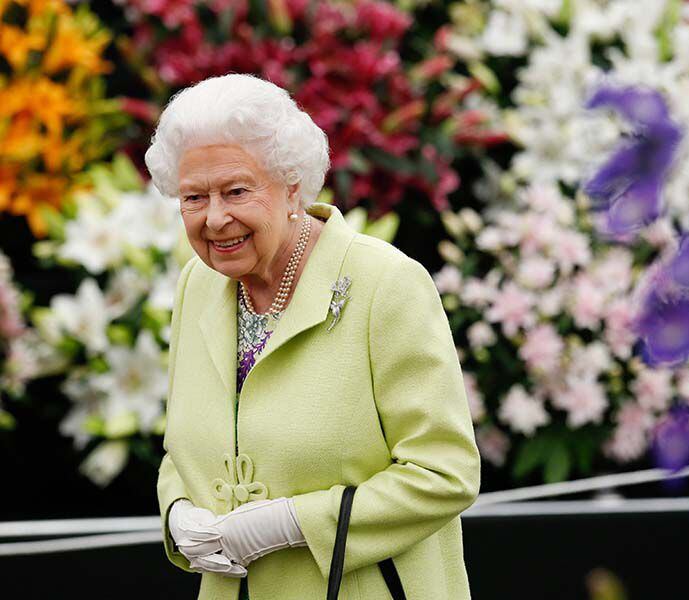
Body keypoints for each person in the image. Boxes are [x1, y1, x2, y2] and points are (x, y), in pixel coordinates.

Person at [145, 73, 481, 600]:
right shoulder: (198, 284)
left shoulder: (385, 284)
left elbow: (445, 471)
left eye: (236, 190)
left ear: (292, 184)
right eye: (193, 196)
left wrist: (293, 523)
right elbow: (183, 448)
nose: (215, 218)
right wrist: (178, 512)